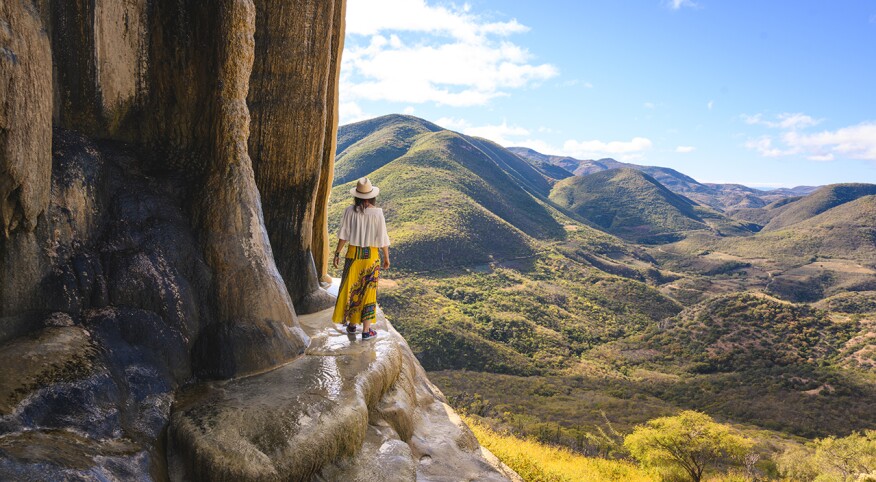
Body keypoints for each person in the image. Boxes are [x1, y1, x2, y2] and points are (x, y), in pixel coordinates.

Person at [331, 177, 391, 340]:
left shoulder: (349, 211)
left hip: (353, 255)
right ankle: (366, 331)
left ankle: (351, 325)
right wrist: (386, 257)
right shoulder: (377, 213)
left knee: (351, 289)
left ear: (357, 196)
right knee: (368, 291)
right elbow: (383, 237)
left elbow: (344, 234)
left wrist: (337, 253)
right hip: (371, 256)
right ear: (372, 196)